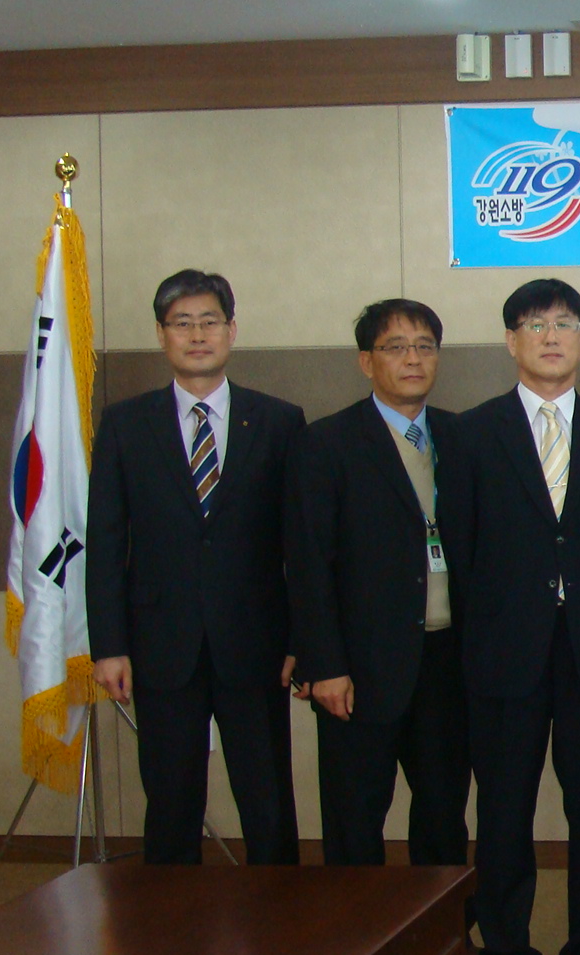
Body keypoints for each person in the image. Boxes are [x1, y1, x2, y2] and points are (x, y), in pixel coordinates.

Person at [445, 279, 580, 955]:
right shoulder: (471, 433)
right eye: (535, 325)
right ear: (511, 341)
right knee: (503, 811)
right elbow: (461, 550)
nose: (551, 336)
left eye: (565, 324)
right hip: (505, 654)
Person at [86, 268, 304, 864]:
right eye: (182, 323)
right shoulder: (126, 424)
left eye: (210, 321)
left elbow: (301, 544)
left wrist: (301, 639)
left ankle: (281, 917)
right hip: (162, 645)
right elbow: (106, 542)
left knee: (268, 803)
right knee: (171, 802)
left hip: (257, 644)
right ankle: (170, 919)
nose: (198, 334)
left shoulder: (279, 421)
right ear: (162, 335)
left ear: (232, 330)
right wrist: (109, 645)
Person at [285, 299, 471, 884]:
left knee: (443, 814)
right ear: (367, 361)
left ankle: (441, 930)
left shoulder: (462, 436)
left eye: (424, 347)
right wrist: (324, 664)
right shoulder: (327, 443)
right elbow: (308, 565)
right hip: (359, 667)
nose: (412, 359)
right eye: (395, 347)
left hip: (447, 660)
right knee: (355, 819)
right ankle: (356, 935)